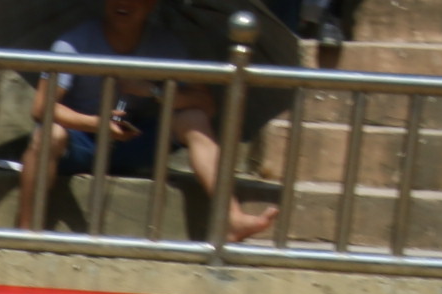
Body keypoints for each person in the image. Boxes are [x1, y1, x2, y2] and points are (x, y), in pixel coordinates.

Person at [19, 0, 275, 241]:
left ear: (151, 5)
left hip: (135, 139)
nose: (124, 3)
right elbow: (41, 107)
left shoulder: (166, 45)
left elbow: (205, 103)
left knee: (194, 119)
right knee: (49, 134)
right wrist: (95, 123)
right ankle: (26, 231)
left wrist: (154, 92)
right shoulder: (74, 42)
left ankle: (232, 217)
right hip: (81, 139)